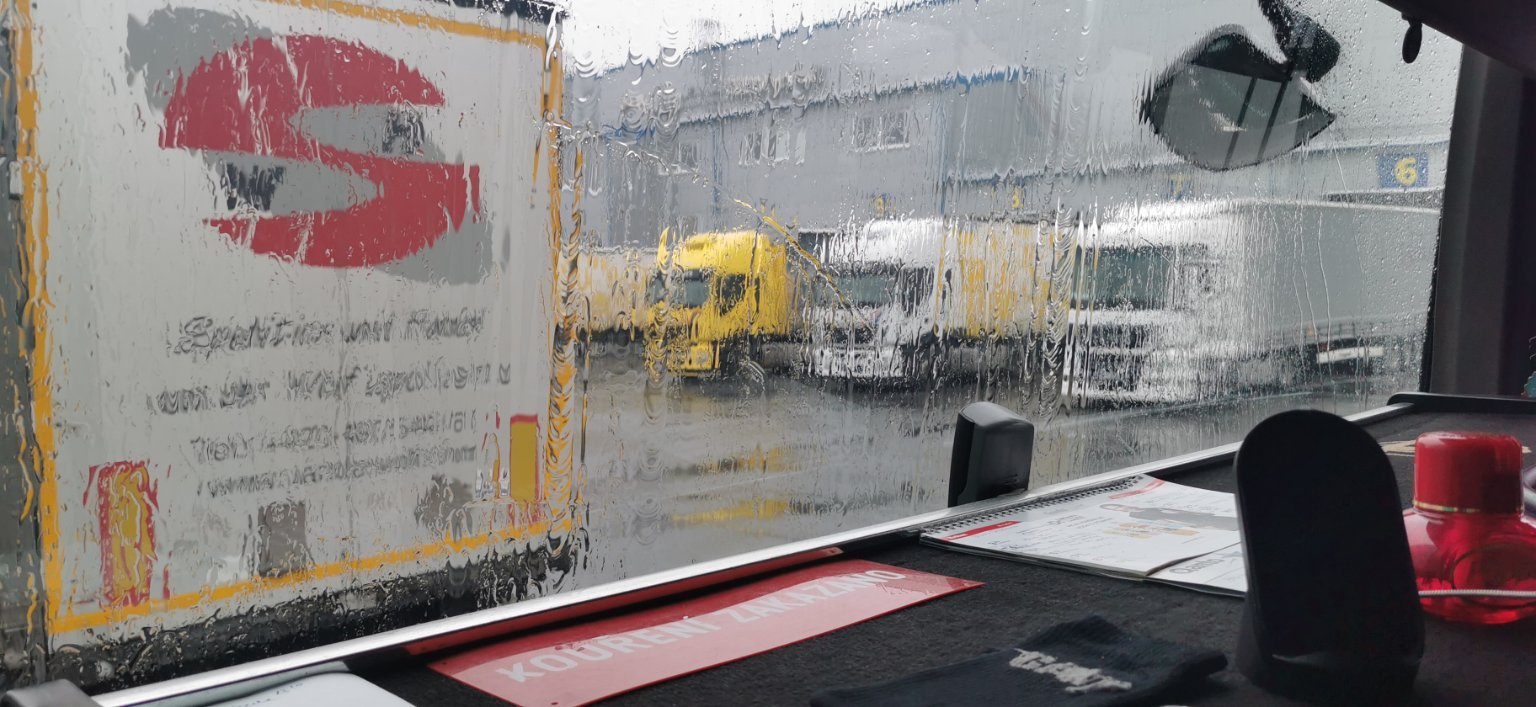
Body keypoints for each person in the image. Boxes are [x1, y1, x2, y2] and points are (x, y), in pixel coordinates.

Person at [1099, 503, 1239, 531]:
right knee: (1220, 525)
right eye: (1117, 509)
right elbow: (1162, 520)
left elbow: (1171, 510)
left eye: (1118, 506)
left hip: (1190, 516)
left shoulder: (1148, 507)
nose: (1122, 508)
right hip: (1188, 521)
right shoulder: (1136, 514)